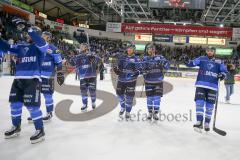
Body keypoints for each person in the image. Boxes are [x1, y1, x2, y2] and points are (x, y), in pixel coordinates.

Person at [0, 23, 48, 143]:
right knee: (15, 105)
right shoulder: (20, 46)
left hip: (32, 80)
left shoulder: (40, 47)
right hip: (18, 80)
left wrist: (30, 30)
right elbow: (6, 48)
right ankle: (16, 127)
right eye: (27, 33)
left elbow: (42, 43)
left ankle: (40, 130)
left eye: (29, 33)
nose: (27, 35)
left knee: (32, 107)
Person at [184, 46, 228, 132]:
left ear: (214, 52)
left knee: (209, 106)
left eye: (211, 51)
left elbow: (225, 71)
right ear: (206, 51)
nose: (209, 52)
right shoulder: (202, 58)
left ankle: (207, 123)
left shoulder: (219, 61)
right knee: (199, 103)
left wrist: (222, 74)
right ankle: (199, 121)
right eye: (208, 50)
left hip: (213, 86)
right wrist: (186, 60)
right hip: (201, 85)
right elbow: (191, 63)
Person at [27, 31, 64, 122]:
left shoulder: (53, 48)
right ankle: (36, 114)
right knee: (35, 95)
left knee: (47, 95)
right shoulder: (36, 47)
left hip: (48, 76)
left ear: (49, 38)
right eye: (42, 36)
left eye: (44, 36)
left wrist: (59, 73)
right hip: (36, 75)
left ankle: (49, 113)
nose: (42, 37)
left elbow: (59, 62)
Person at [113, 42, 142, 120]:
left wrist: (137, 72)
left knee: (129, 97)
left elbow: (140, 70)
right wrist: (116, 70)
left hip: (131, 81)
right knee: (119, 93)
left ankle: (128, 112)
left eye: (131, 48)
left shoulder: (137, 59)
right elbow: (118, 67)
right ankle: (123, 106)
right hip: (121, 79)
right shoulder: (122, 57)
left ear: (133, 50)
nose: (129, 49)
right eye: (128, 48)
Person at [70, 43, 101, 111]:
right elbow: (72, 63)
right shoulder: (79, 56)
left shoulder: (91, 54)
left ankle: (93, 102)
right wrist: (73, 56)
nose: (81, 48)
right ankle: (85, 104)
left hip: (92, 76)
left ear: (86, 48)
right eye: (80, 46)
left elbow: (99, 60)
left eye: (82, 47)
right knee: (83, 92)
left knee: (92, 91)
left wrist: (93, 56)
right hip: (83, 77)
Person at [143, 43, 170, 121]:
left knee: (157, 98)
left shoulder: (160, 57)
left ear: (154, 50)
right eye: (149, 49)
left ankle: (155, 113)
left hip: (158, 81)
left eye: (152, 49)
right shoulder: (145, 59)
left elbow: (167, 67)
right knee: (150, 98)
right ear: (147, 50)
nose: (150, 50)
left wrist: (165, 63)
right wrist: (145, 70)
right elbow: (141, 69)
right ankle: (150, 112)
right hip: (148, 81)